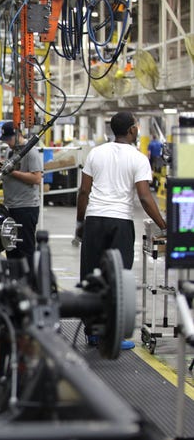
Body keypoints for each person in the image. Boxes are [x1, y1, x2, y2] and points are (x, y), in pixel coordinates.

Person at [75, 112, 167, 349]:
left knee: (91, 276)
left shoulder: (96, 153)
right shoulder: (138, 159)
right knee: (117, 279)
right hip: (120, 223)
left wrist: (80, 223)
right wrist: (164, 225)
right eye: (136, 126)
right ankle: (112, 335)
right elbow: (145, 198)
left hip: (94, 220)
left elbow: (84, 192)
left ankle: (93, 332)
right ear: (132, 131)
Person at [0, 121, 43, 273]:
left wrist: (11, 172)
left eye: (9, 139)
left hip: (25, 208)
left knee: (25, 250)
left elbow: (36, 179)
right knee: (11, 249)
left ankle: (29, 285)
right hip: (10, 207)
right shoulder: (10, 152)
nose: (7, 143)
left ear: (18, 135)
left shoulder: (31, 152)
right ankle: (14, 284)